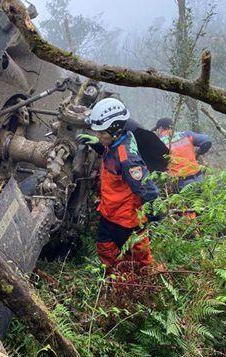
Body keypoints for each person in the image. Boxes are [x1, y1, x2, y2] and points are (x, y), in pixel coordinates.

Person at [77, 98, 159, 269]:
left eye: (101, 133)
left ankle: (139, 286)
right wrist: (98, 146)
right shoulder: (117, 139)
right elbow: (111, 154)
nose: (98, 136)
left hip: (126, 221)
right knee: (105, 250)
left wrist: (152, 215)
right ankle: (114, 282)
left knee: (140, 262)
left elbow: (148, 190)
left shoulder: (128, 159)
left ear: (115, 129)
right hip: (110, 212)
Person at [153, 118, 212, 189]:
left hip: (180, 183)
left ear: (161, 128)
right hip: (199, 177)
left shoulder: (157, 143)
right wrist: (198, 152)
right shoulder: (186, 135)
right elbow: (206, 141)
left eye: (157, 130)